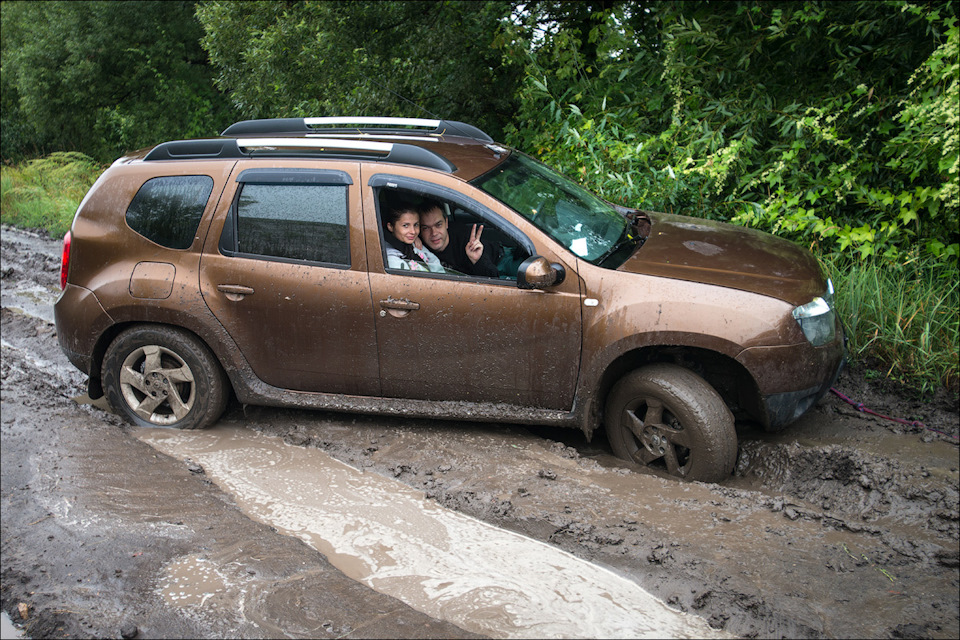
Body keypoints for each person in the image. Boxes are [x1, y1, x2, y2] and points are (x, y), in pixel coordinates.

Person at [418, 201, 499, 277]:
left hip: (500, 260)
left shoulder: (466, 239)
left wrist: (477, 260)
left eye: (438, 225)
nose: (434, 233)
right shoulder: (419, 247)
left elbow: (494, 279)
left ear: (446, 223)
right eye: (426, 228)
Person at [383, 202, 444, 272]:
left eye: (416, 225)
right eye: (405, 226)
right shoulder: (391, 259)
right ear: (390, 227)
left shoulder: (415, 245)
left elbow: (436, 264)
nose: (413, 231)